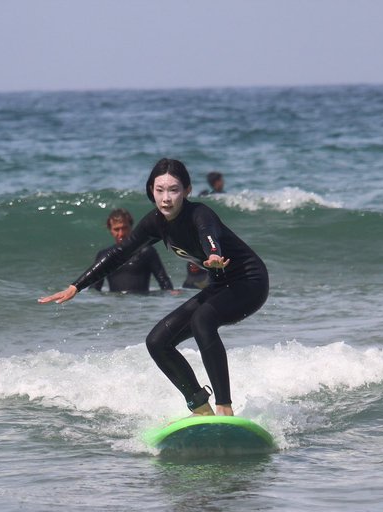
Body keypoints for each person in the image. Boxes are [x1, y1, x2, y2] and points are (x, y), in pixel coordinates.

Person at [38, 158, 268, 417]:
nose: (166, 198)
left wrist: (213, 254)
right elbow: (119, 254)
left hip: (249, 283)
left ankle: (225, 408)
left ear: (187, 191)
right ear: (151, 190)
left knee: (203, 320)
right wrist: (76, 286)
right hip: (220, 286)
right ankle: (200, 408)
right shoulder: (155, 222)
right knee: (158, 341)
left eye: (174, 190)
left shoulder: (200, 214)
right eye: (159, 190)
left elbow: (208, 235)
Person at [90, 209, 175, 294]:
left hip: (139, 304)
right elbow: (94, 288)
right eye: (117, 229)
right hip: (115, 304)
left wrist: (172, 295)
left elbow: (164, 281)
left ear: (131, 227)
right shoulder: (104, 255)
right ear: (110, 230)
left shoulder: (146, 252)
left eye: (124, 228)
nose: (121, 233)